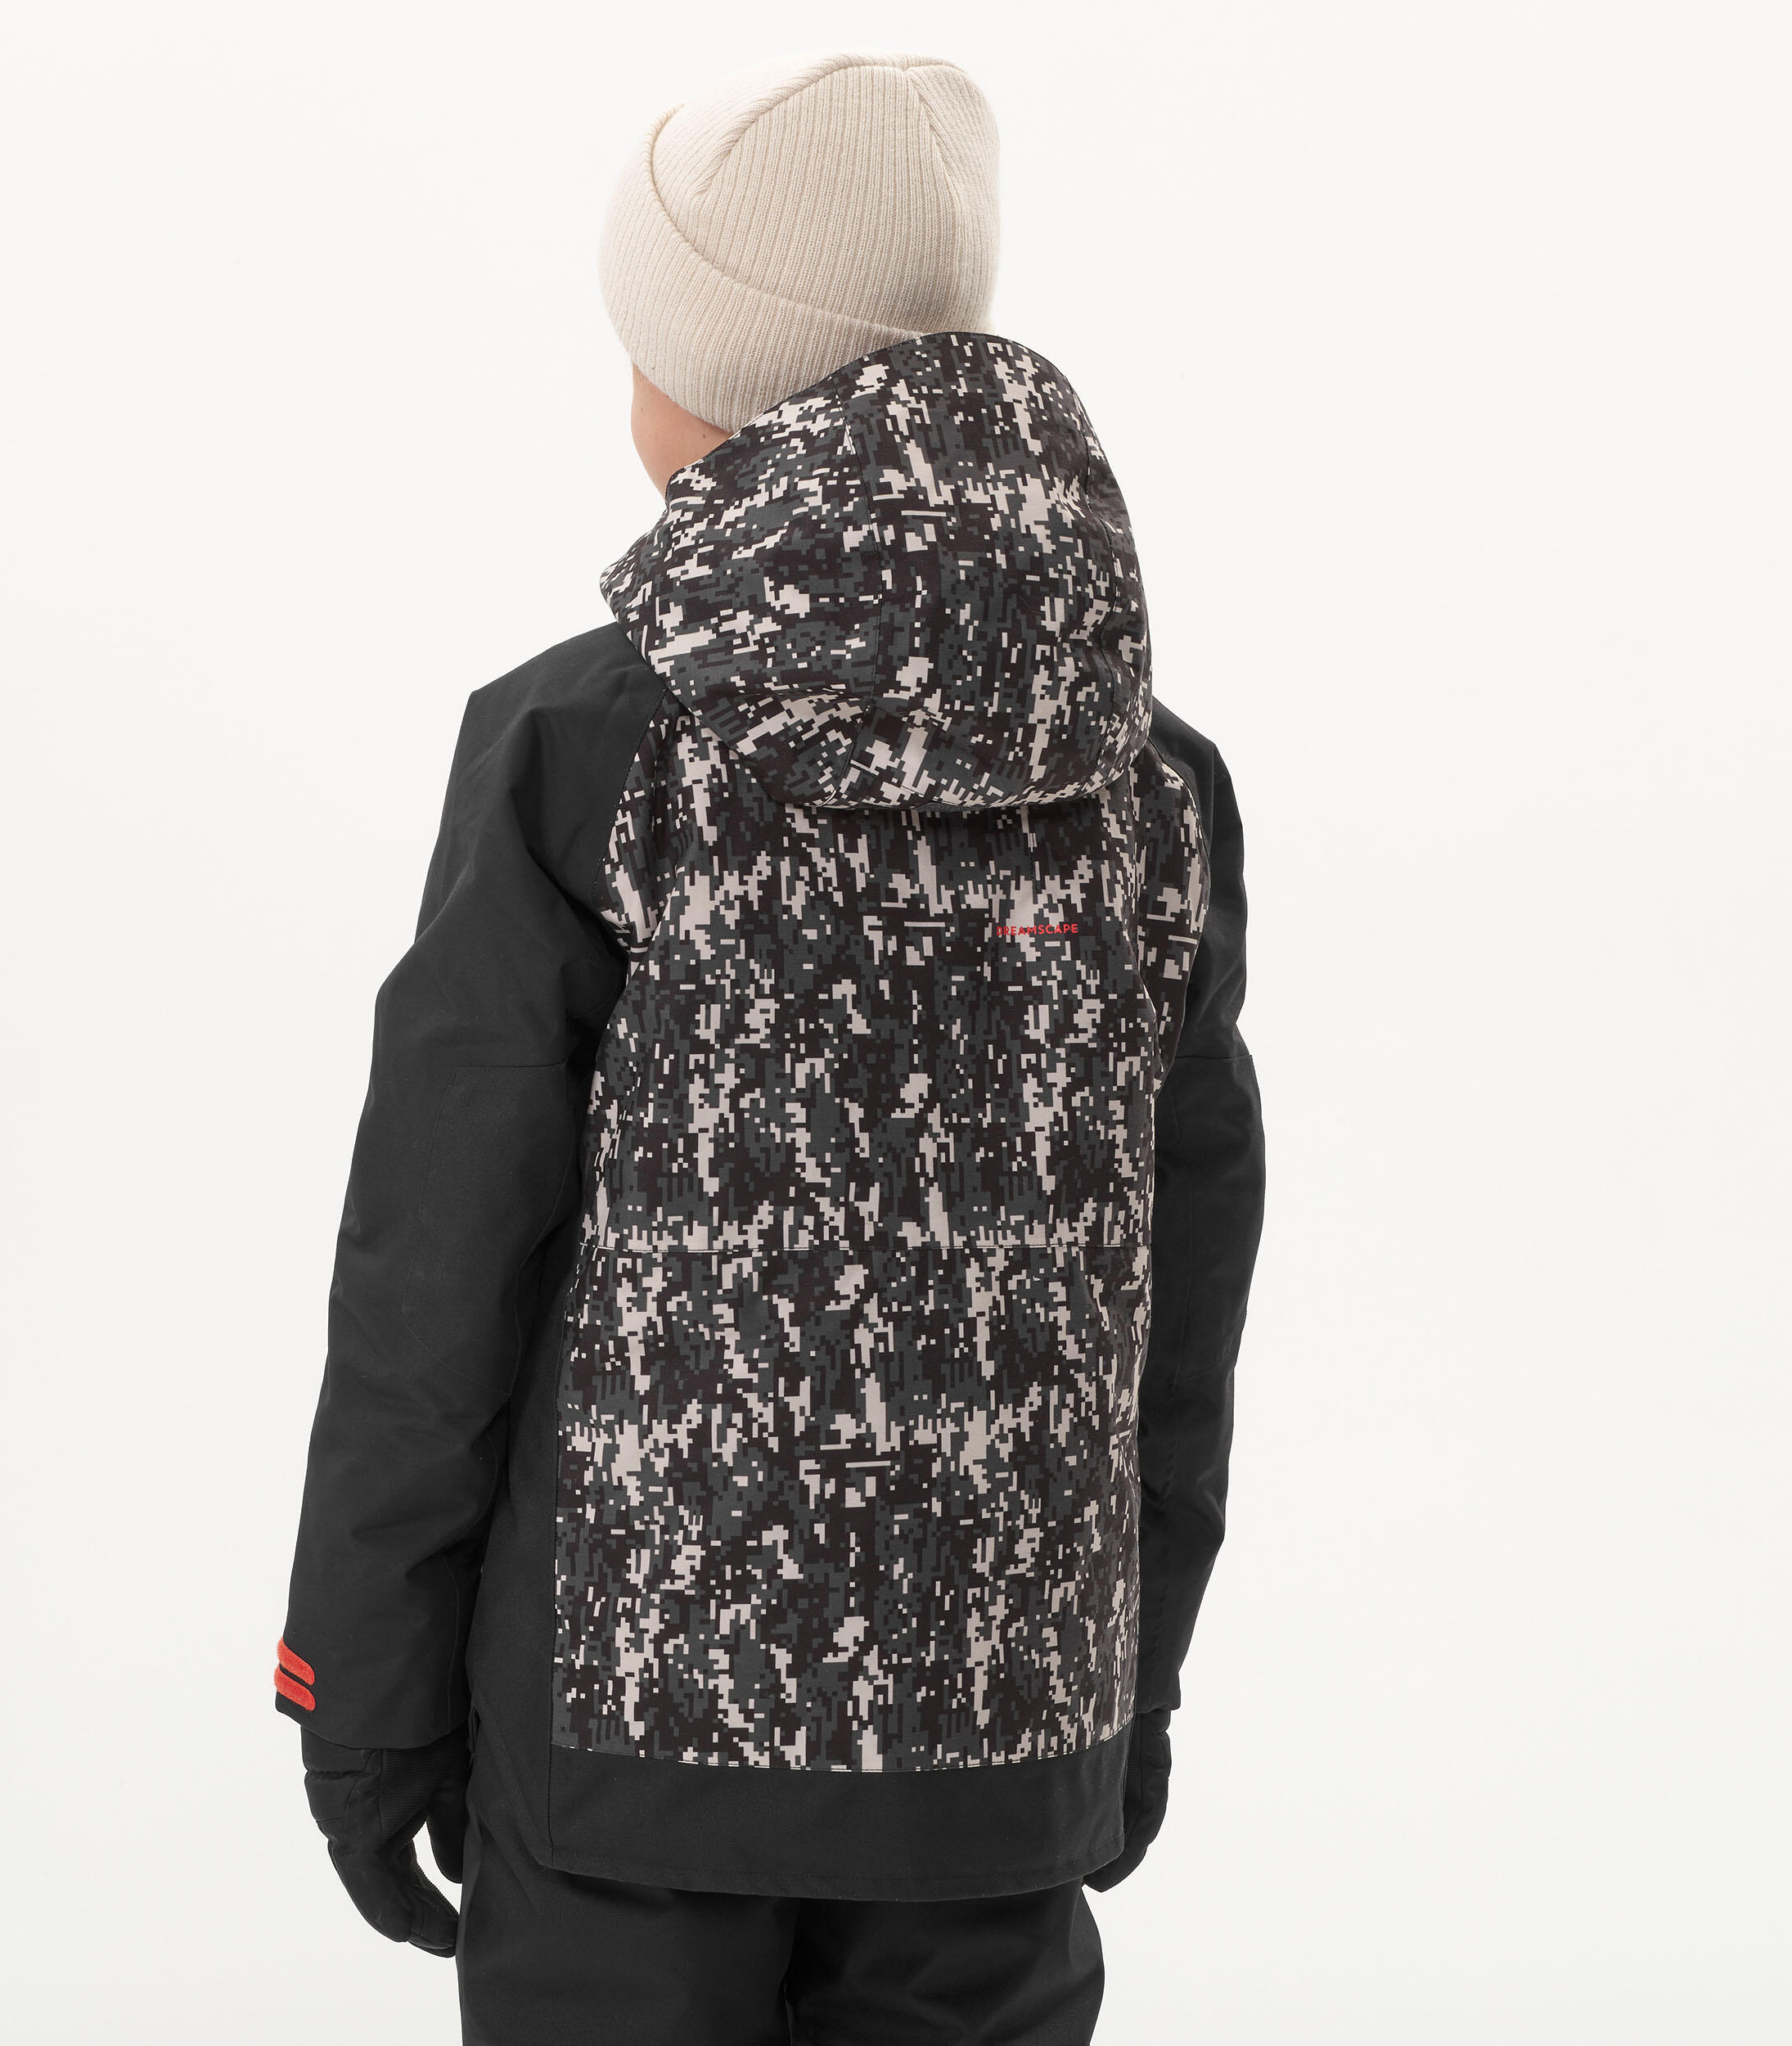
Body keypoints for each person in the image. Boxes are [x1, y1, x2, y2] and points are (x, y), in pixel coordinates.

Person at [274, 49, 1265, 2046]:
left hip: (626, 1748)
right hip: (999, 1750)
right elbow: (1174, 1302)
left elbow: (434, 1274)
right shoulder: (1150, 784)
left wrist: (357, 1694)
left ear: (725, 386)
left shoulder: (591, 745)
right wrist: (1122, 1689)